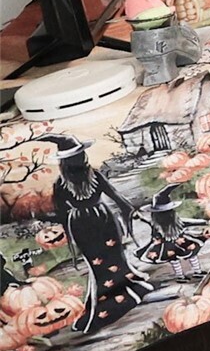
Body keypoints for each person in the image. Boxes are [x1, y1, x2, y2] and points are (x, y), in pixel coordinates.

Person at [38, 135, 154, 334]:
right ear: (67, 161)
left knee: (115, 257)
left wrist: (130, 211)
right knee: (97, 263)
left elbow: (114, 195)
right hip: (84, 225)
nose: (81, 158)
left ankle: (126, 288)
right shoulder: (61, 184)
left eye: (80, 154)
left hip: (103, 220)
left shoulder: (95, 175)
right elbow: (62, 212)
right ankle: (106, 300)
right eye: (76, 156)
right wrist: (58, 226)